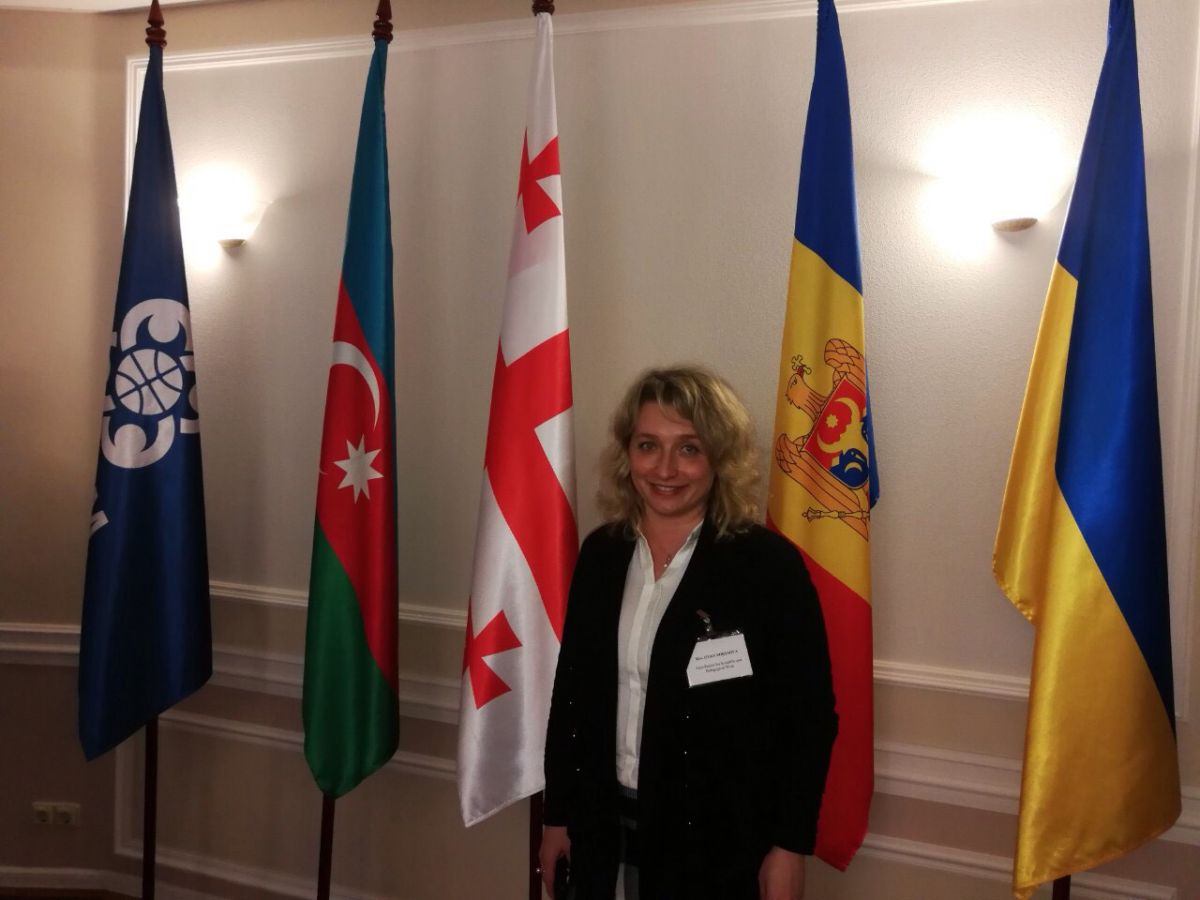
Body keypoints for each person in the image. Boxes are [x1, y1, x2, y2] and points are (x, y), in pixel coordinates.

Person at [540, 366, 837, 900]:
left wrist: (789, 847)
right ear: (627, 454)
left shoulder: (766, 567)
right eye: (648, 445)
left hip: (717, 849)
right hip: (602, 828)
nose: (665, 468)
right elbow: (572, 698)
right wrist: (558, 815)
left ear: (720, 459)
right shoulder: (601, 555)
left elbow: (807, 720)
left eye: (689, 449)